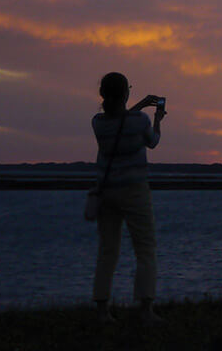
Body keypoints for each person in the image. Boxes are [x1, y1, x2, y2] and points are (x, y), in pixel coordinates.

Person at [91, 72, 167, 324]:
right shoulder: (140, 121)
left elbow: (119, 121)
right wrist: (157, 119)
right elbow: (153, 142)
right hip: (135, 192)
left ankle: (102, 311)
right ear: (126, 93)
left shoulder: (98, 123)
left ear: (103, 94)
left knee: (107, 251)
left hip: (107, 192)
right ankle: (145, 310)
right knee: (145, 249)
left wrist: (139, 105)